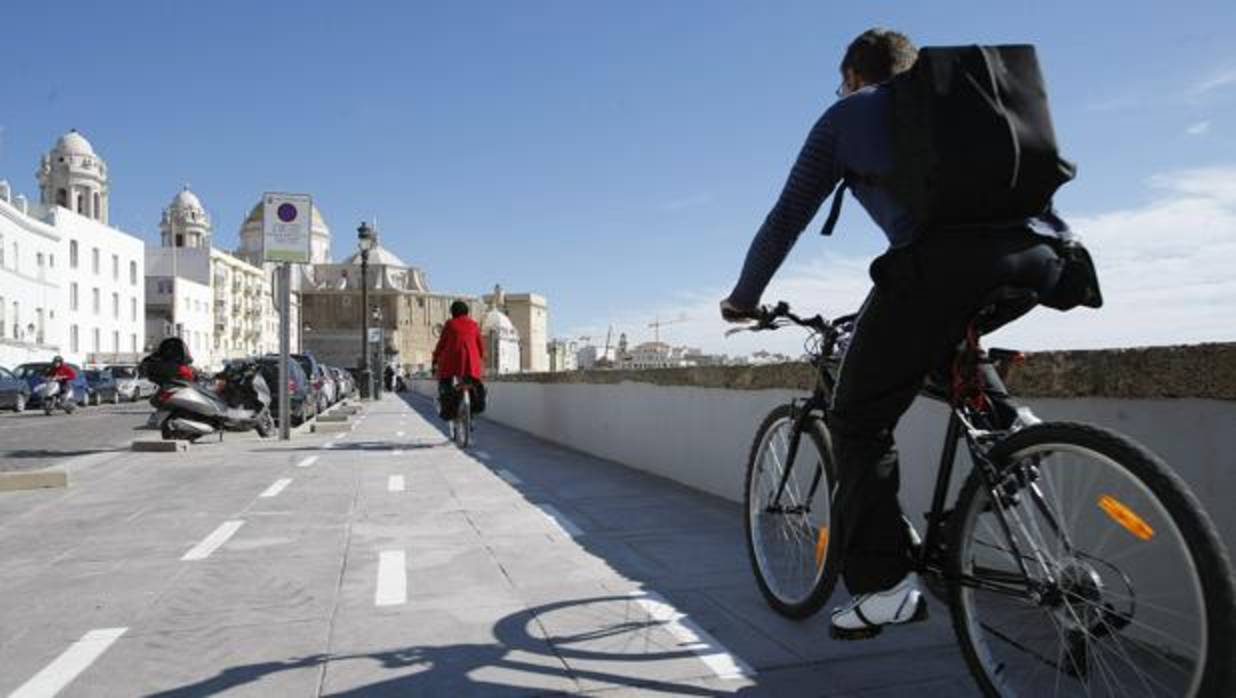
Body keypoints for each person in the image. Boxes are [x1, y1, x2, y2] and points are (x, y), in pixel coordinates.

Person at [720, 28, 1069, 639]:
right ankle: (1011, 430)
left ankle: (885, 587)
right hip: (1043, 257)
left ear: (854, 74)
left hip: (941, 265)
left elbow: (785, 220)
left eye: (841, 80)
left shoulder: (847, 115)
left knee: (855, 417)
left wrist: (743, 299)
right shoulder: (961, 106)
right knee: (935, 341)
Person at [431, 301, 485, 423]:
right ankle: (473, 410)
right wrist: (480, 359)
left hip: (451, 363)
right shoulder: (474, 325)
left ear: (453, 312)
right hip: (472, 363)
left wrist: (434, 359)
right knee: (475, 384)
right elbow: (480, 347)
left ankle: (449, 412)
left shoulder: (450, 325)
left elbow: (441, 345)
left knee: (445, 383)